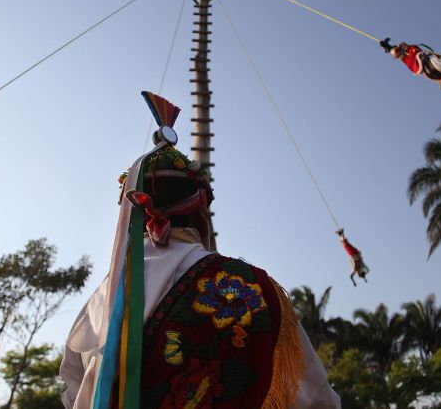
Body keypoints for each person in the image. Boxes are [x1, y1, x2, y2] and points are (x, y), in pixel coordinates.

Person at [60, 97, 340, 408]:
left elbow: (74, 392)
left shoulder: (103, 300)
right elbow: (317, 399)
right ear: (201, 212)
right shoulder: (252, 288)